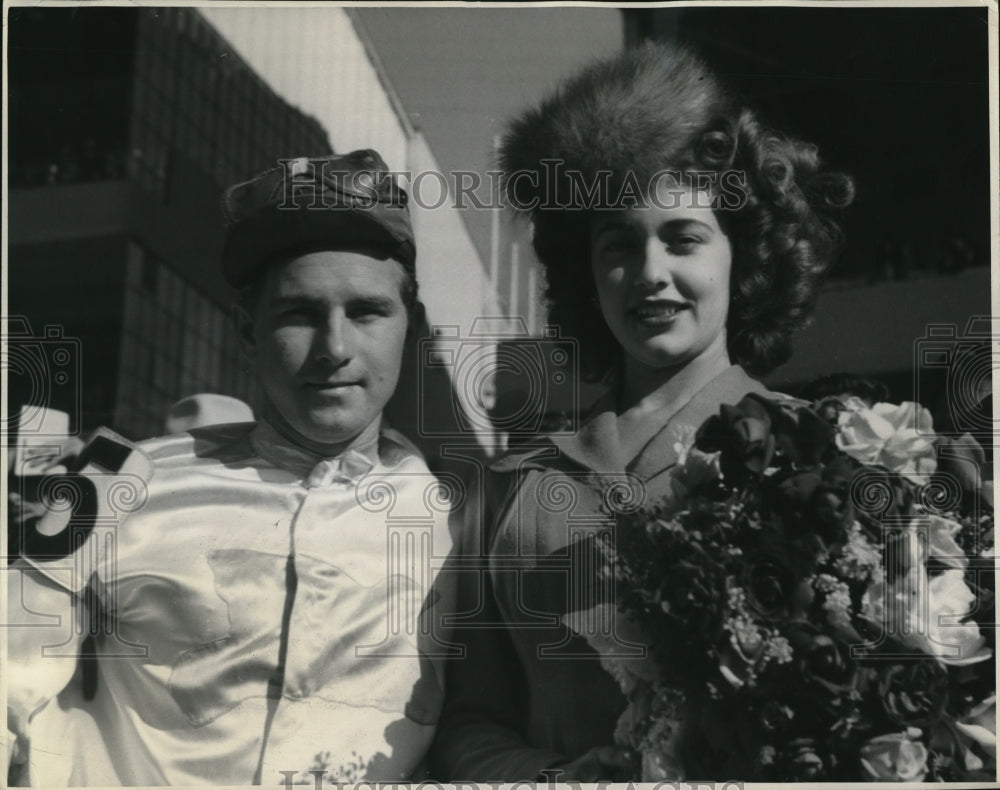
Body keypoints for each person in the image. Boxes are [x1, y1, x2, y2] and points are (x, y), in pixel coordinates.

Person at [429, 44, 853, 781]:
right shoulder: (506, 486)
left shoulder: (821, 457)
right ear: (585, 273)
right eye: (619, 244)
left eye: (683, 238)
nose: (651, 273)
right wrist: (552, 778)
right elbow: (466, 720)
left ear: (740, 254)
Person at [6, 150, 454, 786]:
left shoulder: (464, 521)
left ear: (412, 327)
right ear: (246, 333)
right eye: (298, 313)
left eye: (366, 312)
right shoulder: (111, 478)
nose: (334, 348)